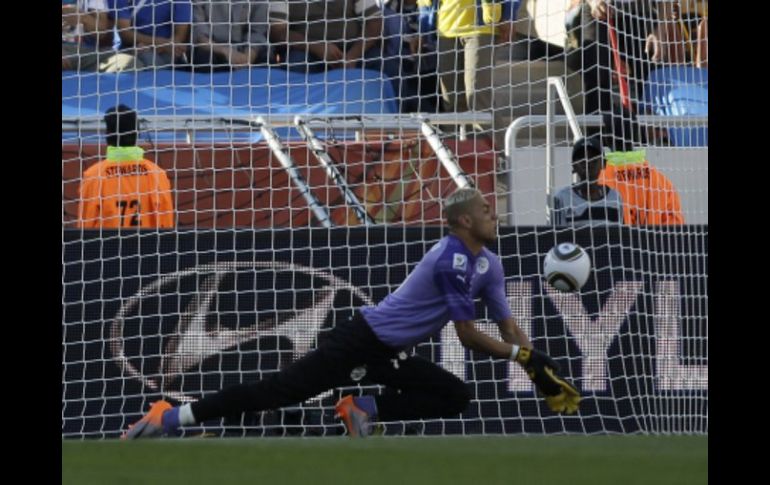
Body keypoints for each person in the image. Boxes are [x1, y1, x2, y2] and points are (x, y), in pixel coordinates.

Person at [122, 188, 580, 439]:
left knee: (455, 396)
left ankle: (360, 408)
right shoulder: (451, 259)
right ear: (462, 221)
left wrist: (534, 362)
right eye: (485, 210)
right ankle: (171, 416)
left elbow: (507, 325)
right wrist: (522, 359)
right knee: (277, 392)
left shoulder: (489, 262)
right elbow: (466, 335)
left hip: (389, 351)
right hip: (360, 340)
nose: (494, 214)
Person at [418, 0, 521, 153]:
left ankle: (492, 157)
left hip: (481, 27)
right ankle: (454, 160)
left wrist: (508, 15)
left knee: (478, 98)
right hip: (445, 28)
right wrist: (423, 29)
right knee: (451, 103)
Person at [78, 105, 175, 229]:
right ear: (137, 133)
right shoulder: (157, 174)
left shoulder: (93, 176)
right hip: (147, 247)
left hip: (107, 247)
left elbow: (85, 227)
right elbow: (166, 223)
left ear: (108, 135)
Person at [268, 0, 384, 74]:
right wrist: (318, 47)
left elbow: (374, 23)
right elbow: (277, 32)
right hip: (306, 51)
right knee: (296, 65)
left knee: (386, 65)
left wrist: (352, 56)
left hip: (354, 49)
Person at [598, 147, 684, 225]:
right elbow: (675, 230)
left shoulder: (598, 182)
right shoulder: (663, 183)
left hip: (617, 241)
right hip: (653, 241)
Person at [102, 0, 192, 72]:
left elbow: (180, 35)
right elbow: (125, 34)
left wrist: (158, 47)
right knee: (148, 59)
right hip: (131, 48)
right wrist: (157, 44)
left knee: (157, 60)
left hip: (167, 49)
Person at [552, 136, 623, 226]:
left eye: (593, 158)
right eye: (582, 158)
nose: (587, 162)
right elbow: (557, 238)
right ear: (573, 165)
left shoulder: (615, 197)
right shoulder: (562, 198)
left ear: (604, 163)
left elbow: (620, 237)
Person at [190, 0, 269, 70]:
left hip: (244, 48)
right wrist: (225, 51)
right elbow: (199, 33)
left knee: (266, 55)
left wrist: (248, 56)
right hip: (213, 48)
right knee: (204, 58)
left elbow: (258, 30)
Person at [61, 0, 115, 71]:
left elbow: (101, 33)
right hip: (66, 49)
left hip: (91, 52)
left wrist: (84, 18)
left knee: (125, 62)